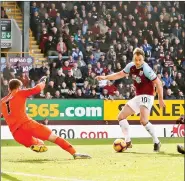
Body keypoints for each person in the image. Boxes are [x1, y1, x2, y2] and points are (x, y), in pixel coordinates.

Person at [1, 76, 91, 159]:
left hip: (16, 134)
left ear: (9, 88)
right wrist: (43, 82)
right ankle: (74, 153)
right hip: (27, 124)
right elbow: (37, 89)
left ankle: (37, 144)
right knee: (54, 137)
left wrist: (5, 114)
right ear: (19, 87)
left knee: (38, 143)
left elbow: (3, 114)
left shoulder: (2, 101)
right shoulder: (19, 92)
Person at [96, 48, 166, 152]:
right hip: (138, 96)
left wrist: (160, 99)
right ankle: (127, 142)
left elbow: (159, 83)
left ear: (143, 59)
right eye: (136, 59)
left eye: (140, 60)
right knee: (121, 117)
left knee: (143, 121)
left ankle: (157, 142)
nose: (137, 62)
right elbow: (119, 74)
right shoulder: (131, 66)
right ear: (133, 58)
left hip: (147, 96)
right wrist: (105, 77)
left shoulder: (146, 69)